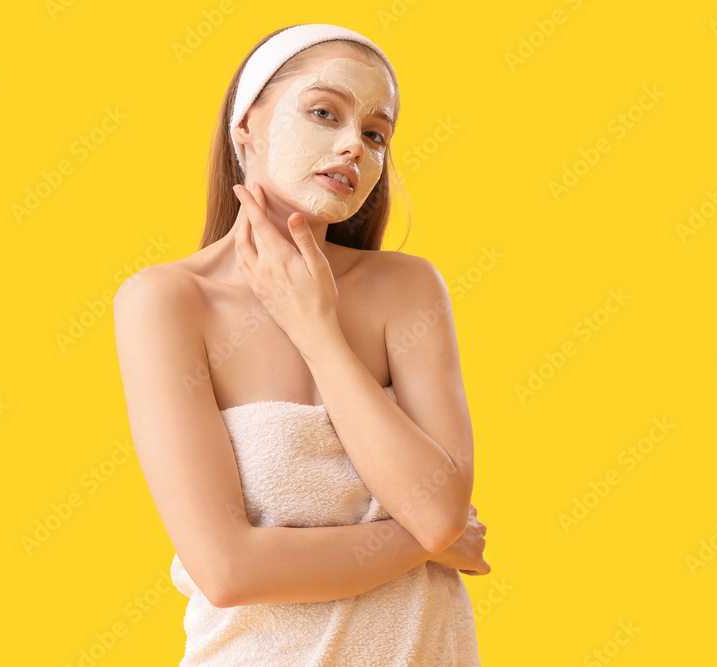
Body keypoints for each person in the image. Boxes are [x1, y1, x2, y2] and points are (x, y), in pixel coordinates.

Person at [113, 23, 488, 665]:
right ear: (246, 126)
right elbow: (228, 569)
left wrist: (317, 331)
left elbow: (440, 511)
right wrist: (426, 541)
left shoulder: (408, 289)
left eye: (376, 134)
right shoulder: (166, 302)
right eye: (324, 112)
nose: (354, 147)